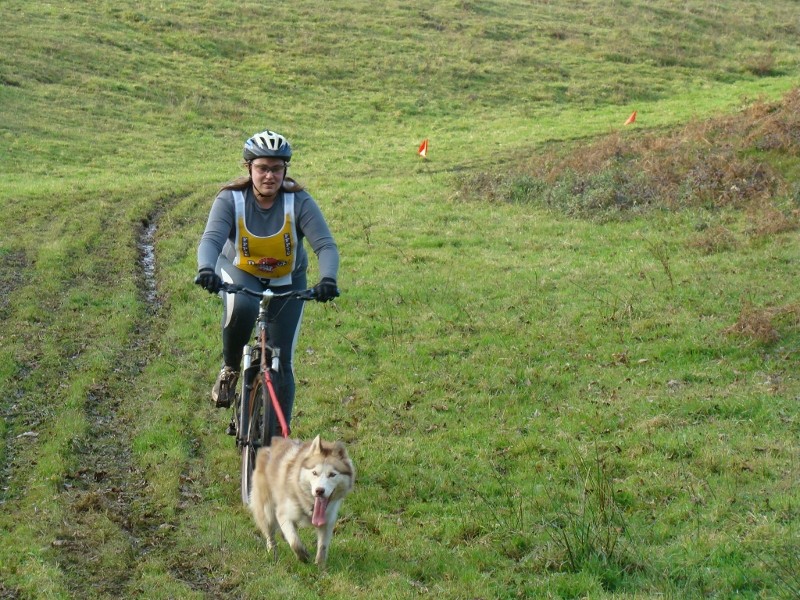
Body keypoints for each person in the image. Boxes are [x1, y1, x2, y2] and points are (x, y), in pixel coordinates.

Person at [196, 129, 339, 436]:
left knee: (282, 361)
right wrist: (206, 268)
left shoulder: (298, 201)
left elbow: (325, 245)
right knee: (244, 307)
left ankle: (278, 439)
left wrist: (327, 278)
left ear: (285, 170)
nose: (269, 175)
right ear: (249, 168)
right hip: (239, 272)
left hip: (288, 281)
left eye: (276, 168)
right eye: (262, 168)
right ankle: (231, 367)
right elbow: (211, 239)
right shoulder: (231, 199)